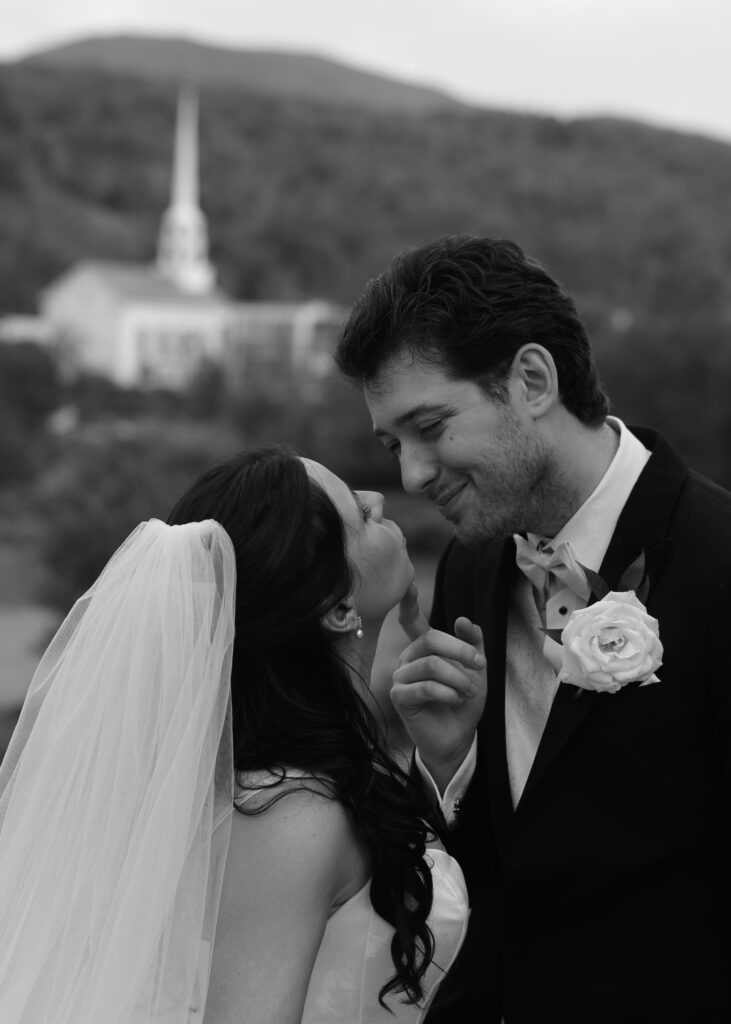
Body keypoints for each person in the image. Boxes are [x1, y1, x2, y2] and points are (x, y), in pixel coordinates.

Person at [335, 235, 731, 1024]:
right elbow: (498, 867)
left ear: (531, 380)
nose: (411, 473)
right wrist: (446, 766)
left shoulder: (718, 562)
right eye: (392, 444)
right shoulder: (467, 565)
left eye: (430, 425)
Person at [0, 444, 470, 1024]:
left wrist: (443, 761)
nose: (379, 496)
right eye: (362, 513)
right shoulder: (288, 810)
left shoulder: (305, 772)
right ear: (337, 606)